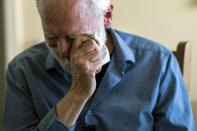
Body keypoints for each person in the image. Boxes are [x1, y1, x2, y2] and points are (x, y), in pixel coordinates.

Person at [3, 0, 196, 130]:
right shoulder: (22, 70)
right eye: (51, 37)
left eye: (73, 37)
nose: (61, 51)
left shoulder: (158, 63)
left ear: (107, 17)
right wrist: (77, 95)